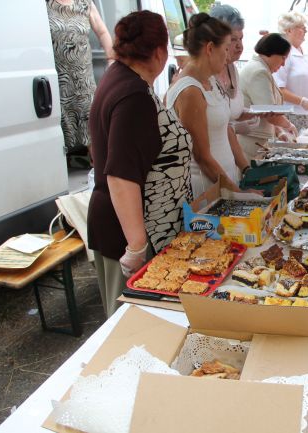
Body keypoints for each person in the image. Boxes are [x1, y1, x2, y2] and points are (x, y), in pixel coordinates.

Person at [87, 11, 192, 317]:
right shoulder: (133, 95)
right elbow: (120, 175)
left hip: (140, 229)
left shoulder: (120, 77)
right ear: (160, 52)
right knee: (132, 323)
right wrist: (136, 246)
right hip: (131, 235)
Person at [166, 13, 251, 197]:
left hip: (223, 184)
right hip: (207, 189)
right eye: (226, 49)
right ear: (210, 48)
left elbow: (224, 128)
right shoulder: (190, 91)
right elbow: (202, 157)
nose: (228, 57)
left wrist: (245, 170)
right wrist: (239, 195)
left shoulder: (210, 80)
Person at [46, 0, 114, 168]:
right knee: (59, 125)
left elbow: (102, 31)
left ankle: (100, 173)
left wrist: (112, 58)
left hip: (83, 78)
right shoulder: (45, 4)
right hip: (57, 79)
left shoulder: (85, 4)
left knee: (91, 125)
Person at [239, 33, 298, 161]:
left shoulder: (261, 69)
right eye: (283, 58)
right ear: (272, 53)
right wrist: (288, 125)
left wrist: (279, 130)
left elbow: (264, 109)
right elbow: (270, 112)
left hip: (256, 142)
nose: (283, 64)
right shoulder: (259, 72)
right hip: (250, 143)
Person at [209, 5, 264, 140]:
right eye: (233, 40)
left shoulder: (232, 69)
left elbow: (233, 111)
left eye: (241, 38)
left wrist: (254, 114)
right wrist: (234, 128)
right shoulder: (206, 75)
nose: (240, 46)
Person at [274, 12, 308, 131]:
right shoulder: (284, 53)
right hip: (291, 115)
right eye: (302, 27)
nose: (306, 30)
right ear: (289, 30)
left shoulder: (304, 51)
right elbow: (278, 89)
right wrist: (301, 101)